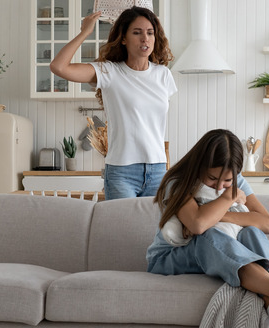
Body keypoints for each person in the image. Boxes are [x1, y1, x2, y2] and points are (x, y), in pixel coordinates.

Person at [146, 129, 269, 328]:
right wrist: (229, 197)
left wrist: (218, 214)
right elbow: (199, 225)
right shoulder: (178, 182)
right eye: (212, 178)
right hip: (169, 258)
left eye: (227, 181)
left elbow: (268, 224)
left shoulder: (236, 179)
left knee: (251, 233)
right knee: (209, 236)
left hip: (215, 250)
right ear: (199, 164)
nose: (219, 186)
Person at [50, 7, 176, 200]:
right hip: (121, 172)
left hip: (158, 169)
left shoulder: (163, 75)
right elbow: (59, 67)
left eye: (150, 33)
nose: (145, 38)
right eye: (137, 32)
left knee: (152, 230)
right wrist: (85, 32)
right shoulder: (109, 72)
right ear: (123, 39)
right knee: (121, 229)